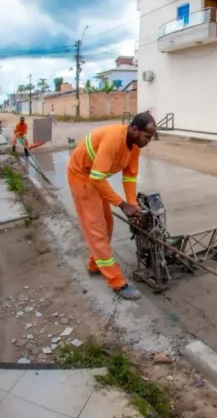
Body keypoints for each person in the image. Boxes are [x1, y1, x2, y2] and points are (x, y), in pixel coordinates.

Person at [66, 112, 157, 300]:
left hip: (96, 177)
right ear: (134, 130)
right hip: (81, 175)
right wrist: (122, 205)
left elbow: (130, 176)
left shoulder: (135, 146)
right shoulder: (114, 139)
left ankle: (95, 264)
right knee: (97, 229)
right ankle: (117, 282)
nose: (148, 141)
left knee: (107, 223)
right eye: (147, 136)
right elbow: (96, 177)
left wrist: (133, 205)